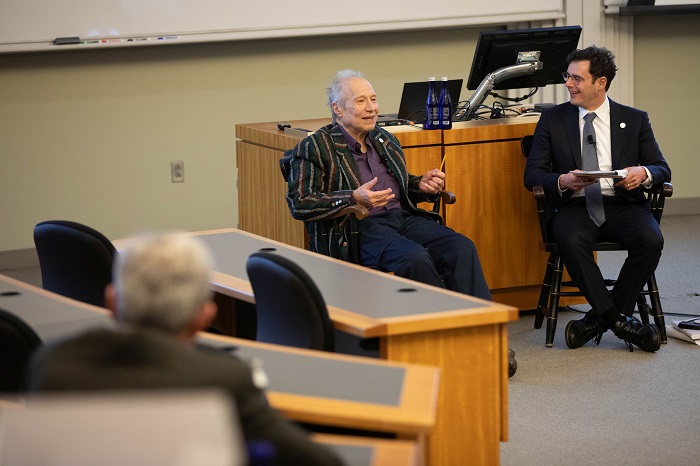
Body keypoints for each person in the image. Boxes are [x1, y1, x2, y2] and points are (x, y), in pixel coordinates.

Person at [27, 232, 343, 466]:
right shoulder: (221, 379)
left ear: (111, 302)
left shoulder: (53, 364)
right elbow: (314, 459)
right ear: (204, 315)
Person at [285, 69, 491, 301]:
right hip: (357, 228)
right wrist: (353, 198)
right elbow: (300, 202)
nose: (372, 108)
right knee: (415, 258)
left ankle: (478, 325)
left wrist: (419, 185)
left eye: (373, 99)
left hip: (402, 219)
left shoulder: (385, 139)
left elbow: (399, 186)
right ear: (337, 109)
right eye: (361, 101)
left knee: (461, 248)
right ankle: (437, 328)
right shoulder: (315, 146)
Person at [524, 46, 671, 352]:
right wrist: (562, 180)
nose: (568, 84)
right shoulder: (553, 120)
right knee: (571, 241)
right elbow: (532, 175)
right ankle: (621, 322)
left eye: (577, 78)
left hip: (622, 204)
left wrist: (642, 172)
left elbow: (661, 168)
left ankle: (598, 320)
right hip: (574, 205)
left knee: (650, 239)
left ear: (600, 83)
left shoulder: (634, 119)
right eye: (568, 76)